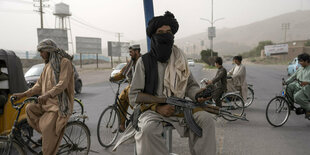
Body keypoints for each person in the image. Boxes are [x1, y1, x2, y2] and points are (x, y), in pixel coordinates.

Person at [113, 11, 216, 155]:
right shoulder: (145, 61)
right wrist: (157, 107)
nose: (165, 35)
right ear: (153, 36)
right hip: (151, 111)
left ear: (172, 35)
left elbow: (190, 86)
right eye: (160, 32)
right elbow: (134, 95)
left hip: (180, 108)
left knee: (207, 120)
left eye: (168, 32)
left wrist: (198, 95)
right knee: (147, 130)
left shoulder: (180, 59)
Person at [12, 39, 74, 155]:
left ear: (49, 51)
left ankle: (48, 141)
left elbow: (63, 84)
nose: (40, 54)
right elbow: (38, 85)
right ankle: (47, 136)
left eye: (42, 51)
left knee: (46, 132)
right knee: (29, 108)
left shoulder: (65, 62)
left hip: (58, 106)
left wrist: (47, 94)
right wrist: (23, 95)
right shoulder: (47, 66)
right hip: (46, 104)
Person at [109, 44, 141, 131]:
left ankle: (136, 117)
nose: (130, 54)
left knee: (135, 105)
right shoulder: (131, 62)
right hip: (131, 87)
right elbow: (123, 73)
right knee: (121, 99)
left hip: (140, 89)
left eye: (131, 52)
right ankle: (121, 125)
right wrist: (113, 78)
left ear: (137, 52)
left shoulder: (142, 61)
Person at [285, 53, 310, 118]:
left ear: (307, 61)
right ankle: (290, 105)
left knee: (297, 97)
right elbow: (293, 76)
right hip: (299, 85)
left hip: (307, 88)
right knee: (288, 87)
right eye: (299, 61)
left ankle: (308, 109)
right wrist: (286, 82)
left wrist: (307, 82)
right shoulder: (300, 68)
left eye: (301, 61)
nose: (300, 63)